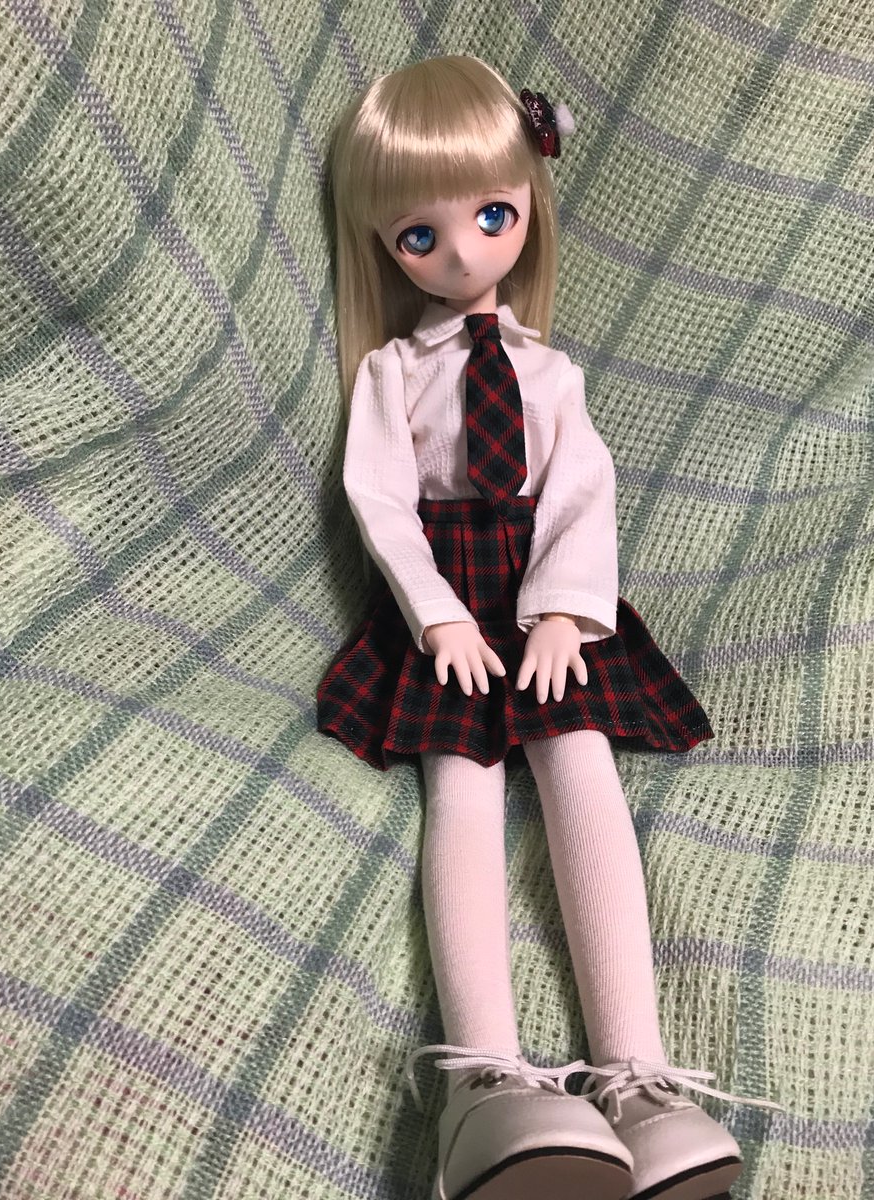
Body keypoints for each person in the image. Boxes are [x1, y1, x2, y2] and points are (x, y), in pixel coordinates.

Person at [317, 55, 777, 1200]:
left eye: (492, 216)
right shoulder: (390, 374)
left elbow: (581, 493)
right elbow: (380, 500)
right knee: (462, 788)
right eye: (419, 235)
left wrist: (566, 610)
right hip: (449, 600)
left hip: (542, 597)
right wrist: (435, 616)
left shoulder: (551, 372)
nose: (462, 254)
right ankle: (484, 1082)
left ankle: (639, 1080)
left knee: (584, 769)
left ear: (529, 202)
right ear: (381, 245)